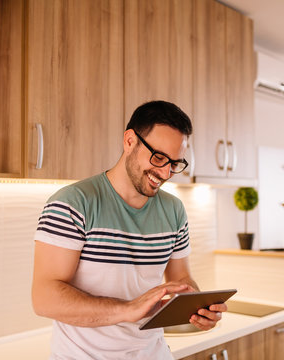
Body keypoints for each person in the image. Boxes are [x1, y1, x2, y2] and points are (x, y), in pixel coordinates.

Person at [31, 100, 227, 359]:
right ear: (129, 141)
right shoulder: (73, 203)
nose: (165, 172)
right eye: (158, 157)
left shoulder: (174, 210)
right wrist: (128, 309)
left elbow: (181, 280)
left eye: (175, 163)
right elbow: (44, 298)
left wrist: (198, 309)